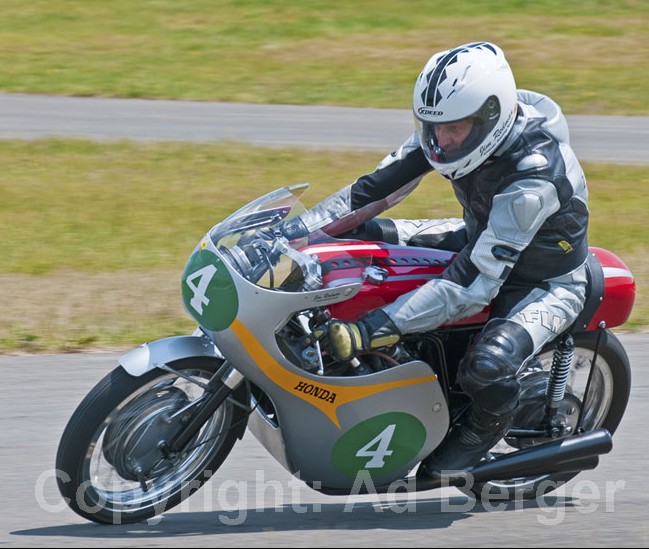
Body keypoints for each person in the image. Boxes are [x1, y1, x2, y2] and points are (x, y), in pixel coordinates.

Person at [280, 41, 590, 477]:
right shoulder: (449, 132)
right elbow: (373, 191)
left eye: (454, 128)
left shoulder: (534, 175)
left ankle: (484, 425)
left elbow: (472, 286)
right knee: (356, 240)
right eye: (432, 125)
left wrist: (371, 329)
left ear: (489, 117)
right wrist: (291, 234)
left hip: (542, 282)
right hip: (481, 238)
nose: (440, 140)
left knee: (485, 367)